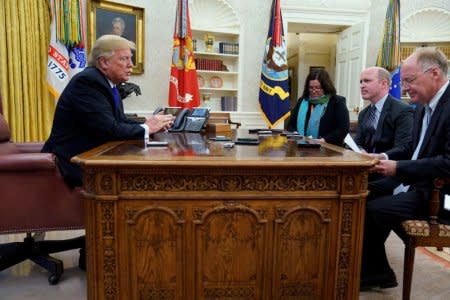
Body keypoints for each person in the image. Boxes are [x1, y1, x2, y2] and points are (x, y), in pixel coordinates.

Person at [360, 47, 450, 290]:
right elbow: (413, 146)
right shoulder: (422, 104)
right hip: (417, 183)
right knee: (361, 195)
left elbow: (448, 163)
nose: (405, 88)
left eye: (409, 80)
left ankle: (375, 274)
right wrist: (384, 157)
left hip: (438, 195)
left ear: (434, 74)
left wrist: (399, 168)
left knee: (372, 210)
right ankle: (369, 269)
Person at [42, 34, 175, 188]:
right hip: (74, 166)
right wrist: (147, 128)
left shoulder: (107, 83)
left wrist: (148, 123)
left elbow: (119, 120)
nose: (131, 64)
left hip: (94, 160)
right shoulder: (87, 82)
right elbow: (109, 129)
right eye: (124, 59)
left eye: (130, 59)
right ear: (104, 62)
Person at [355, 66, 413, 154]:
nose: (362, 85)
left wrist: (380, 157)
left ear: (384, 84)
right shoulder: (363, 114)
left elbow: (404, 147)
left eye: (367, 81)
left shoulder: (403, 111)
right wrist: (360, 150)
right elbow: (358, 142)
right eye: (361, 82)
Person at [286, 69, 349, 146]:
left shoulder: (337, 102)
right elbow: (290, 125)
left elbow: (342, 129)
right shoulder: (302, 101)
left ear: (326, 86)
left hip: (328, 149)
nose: (314, 90)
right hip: (302, 147)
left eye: (318, 87)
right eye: (311, 87)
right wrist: (295, 133)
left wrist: (323, 140)